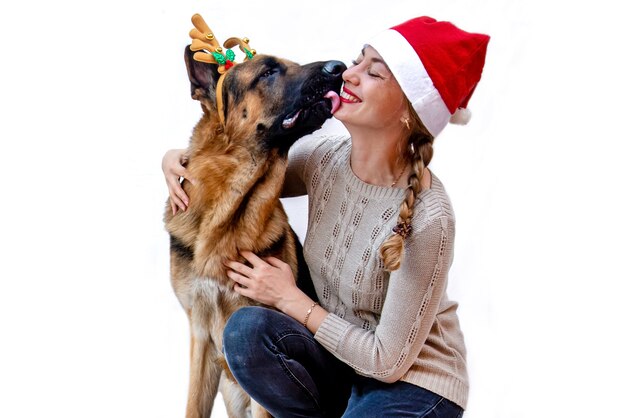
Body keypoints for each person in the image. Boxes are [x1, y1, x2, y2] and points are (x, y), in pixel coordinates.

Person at [162, 16, 489, 418]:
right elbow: (241, 166)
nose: (347, 74)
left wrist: (288, 298)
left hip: (411, 382)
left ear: (409, 111)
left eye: (373, 73)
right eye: (356, 61)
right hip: (339, 364)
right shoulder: (324, 162)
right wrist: (178, 161)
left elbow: (387, 361)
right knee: (247, 333)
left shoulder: (429, 216)